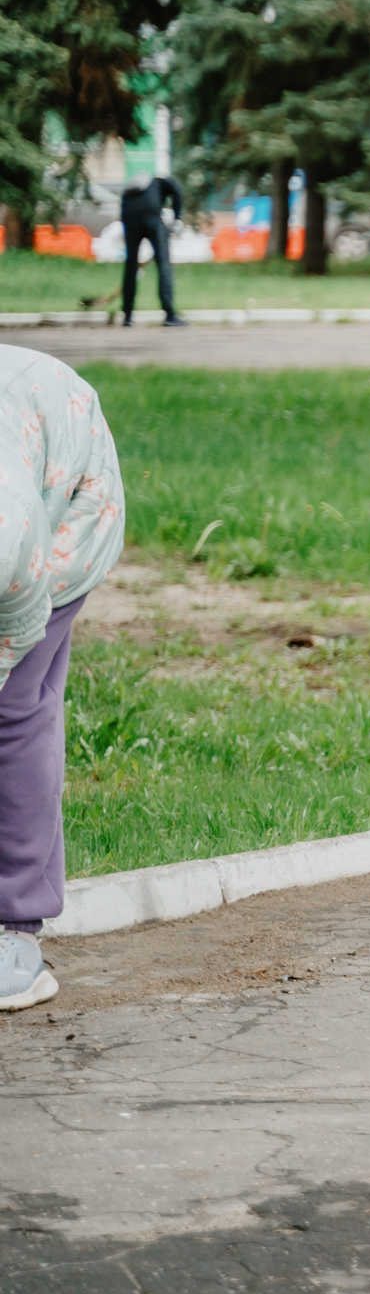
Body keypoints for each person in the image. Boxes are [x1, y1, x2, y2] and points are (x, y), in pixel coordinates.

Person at [0, 349, 126, 1012]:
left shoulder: (7, 538)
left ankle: (14, 928)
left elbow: (15, 622)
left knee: (16, 708)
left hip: (68, 493)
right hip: (24, 429)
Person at [119, 175, 187, 328]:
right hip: (151, 215)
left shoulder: (136, 187)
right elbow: (177, 192)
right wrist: (176, 218)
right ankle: (170, 315)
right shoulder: (163, 182)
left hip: (128, 214)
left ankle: (127, 317)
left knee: (131, 265)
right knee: (164, 264)